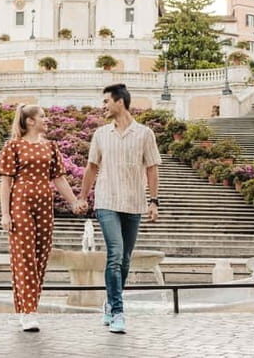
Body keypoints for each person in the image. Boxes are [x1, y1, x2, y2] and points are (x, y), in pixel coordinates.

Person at [76, 83, 161, 334]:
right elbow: (91, 167)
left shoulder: (145, 134)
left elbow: (152, 168)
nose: (103, 106)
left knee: (124, 260)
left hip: (134, 202)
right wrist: (82, 196)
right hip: (106, 201)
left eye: (106, 102)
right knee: (115, 254)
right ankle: (118, 311)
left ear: (119, 102)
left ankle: (110, 302)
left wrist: (154, 201)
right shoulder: (101, 134)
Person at [0, 103, 83, 332]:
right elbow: (5, 182)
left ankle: (29, 306)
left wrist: (74, 202)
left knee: (40, 257)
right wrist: (5, 214)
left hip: (45, 205)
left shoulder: (51, 147)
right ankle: (28, 312)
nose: (47, 119)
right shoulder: (13, 146)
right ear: (30, 121)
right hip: (21, 203)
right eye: (42, 116)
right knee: (24, 257)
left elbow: (59, 179)